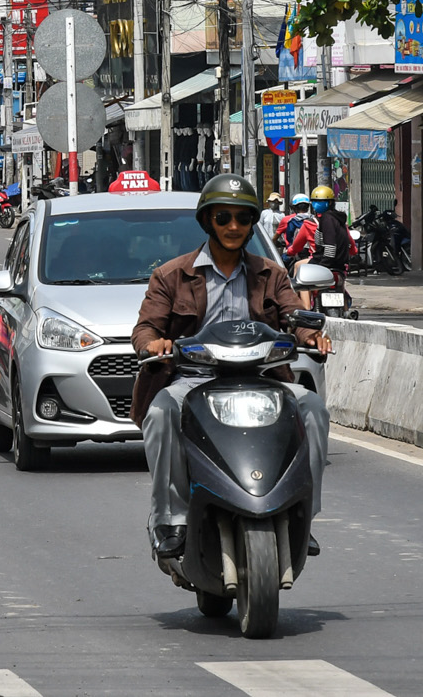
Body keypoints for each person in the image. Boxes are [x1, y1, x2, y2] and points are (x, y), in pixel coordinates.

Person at [130, 174, 330, 561]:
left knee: (312, 408)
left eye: (242, 218)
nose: (234, 227)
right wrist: (154, 343)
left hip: (262, 378)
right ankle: (170, 519)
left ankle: (304, 517)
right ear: (208, 221)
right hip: (193, 380)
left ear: (253, 222)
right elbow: (146, 327)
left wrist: (309, 336)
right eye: (224, 218)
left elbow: (295, 314)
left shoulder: (270, 273)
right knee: (159, 414)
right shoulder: (171, 275)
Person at [307, 186, 352, 273]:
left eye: (321, 201)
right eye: (314, 201)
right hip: (338, 263)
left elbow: (330, 247)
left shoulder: (327, 219)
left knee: (298, 267)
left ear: (330, 202)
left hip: (327, 263)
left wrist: (322, 267)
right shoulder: (336, 218)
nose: (317, 204)